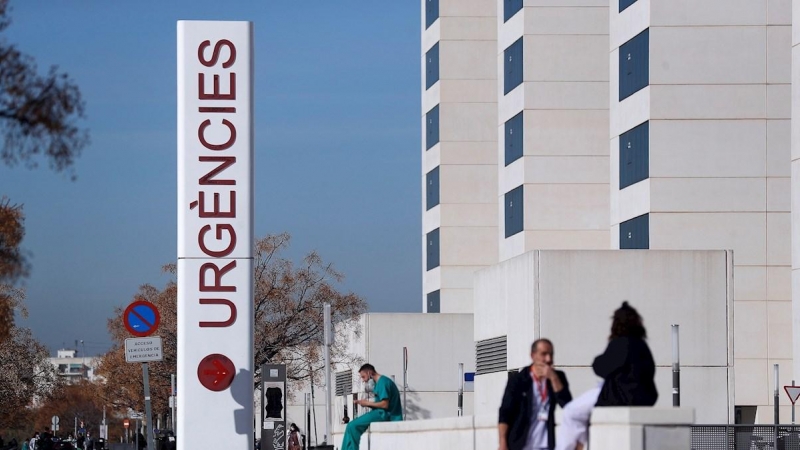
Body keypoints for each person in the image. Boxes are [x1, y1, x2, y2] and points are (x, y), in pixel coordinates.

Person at [556, 301, 658, 450]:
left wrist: (598, 360)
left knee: (571, 412)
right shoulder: (642, 346)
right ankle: (580, 444)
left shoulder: (620, 343)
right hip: (645, 397)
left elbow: (601, 368)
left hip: (619, 396)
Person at [498, 339, 572, 450]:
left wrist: (553, 378)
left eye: (551, 354)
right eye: (544, 354)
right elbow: (505, 412)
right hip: (521, 445)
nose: (549, 359)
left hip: (546, 445)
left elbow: (568, 405)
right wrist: (502, 443)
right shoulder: (518, 380)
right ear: (533, 355)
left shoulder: (558, 377)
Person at [341, 363, 403, 450]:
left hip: (385, 414)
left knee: (353, 426)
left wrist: (367, 403)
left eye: (363, 377)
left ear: (369, 373)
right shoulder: (380, 382)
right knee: (350, 427)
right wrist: (365, 403)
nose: (363, 380)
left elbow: (385, 404)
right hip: (381, 412)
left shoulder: (383, 383)